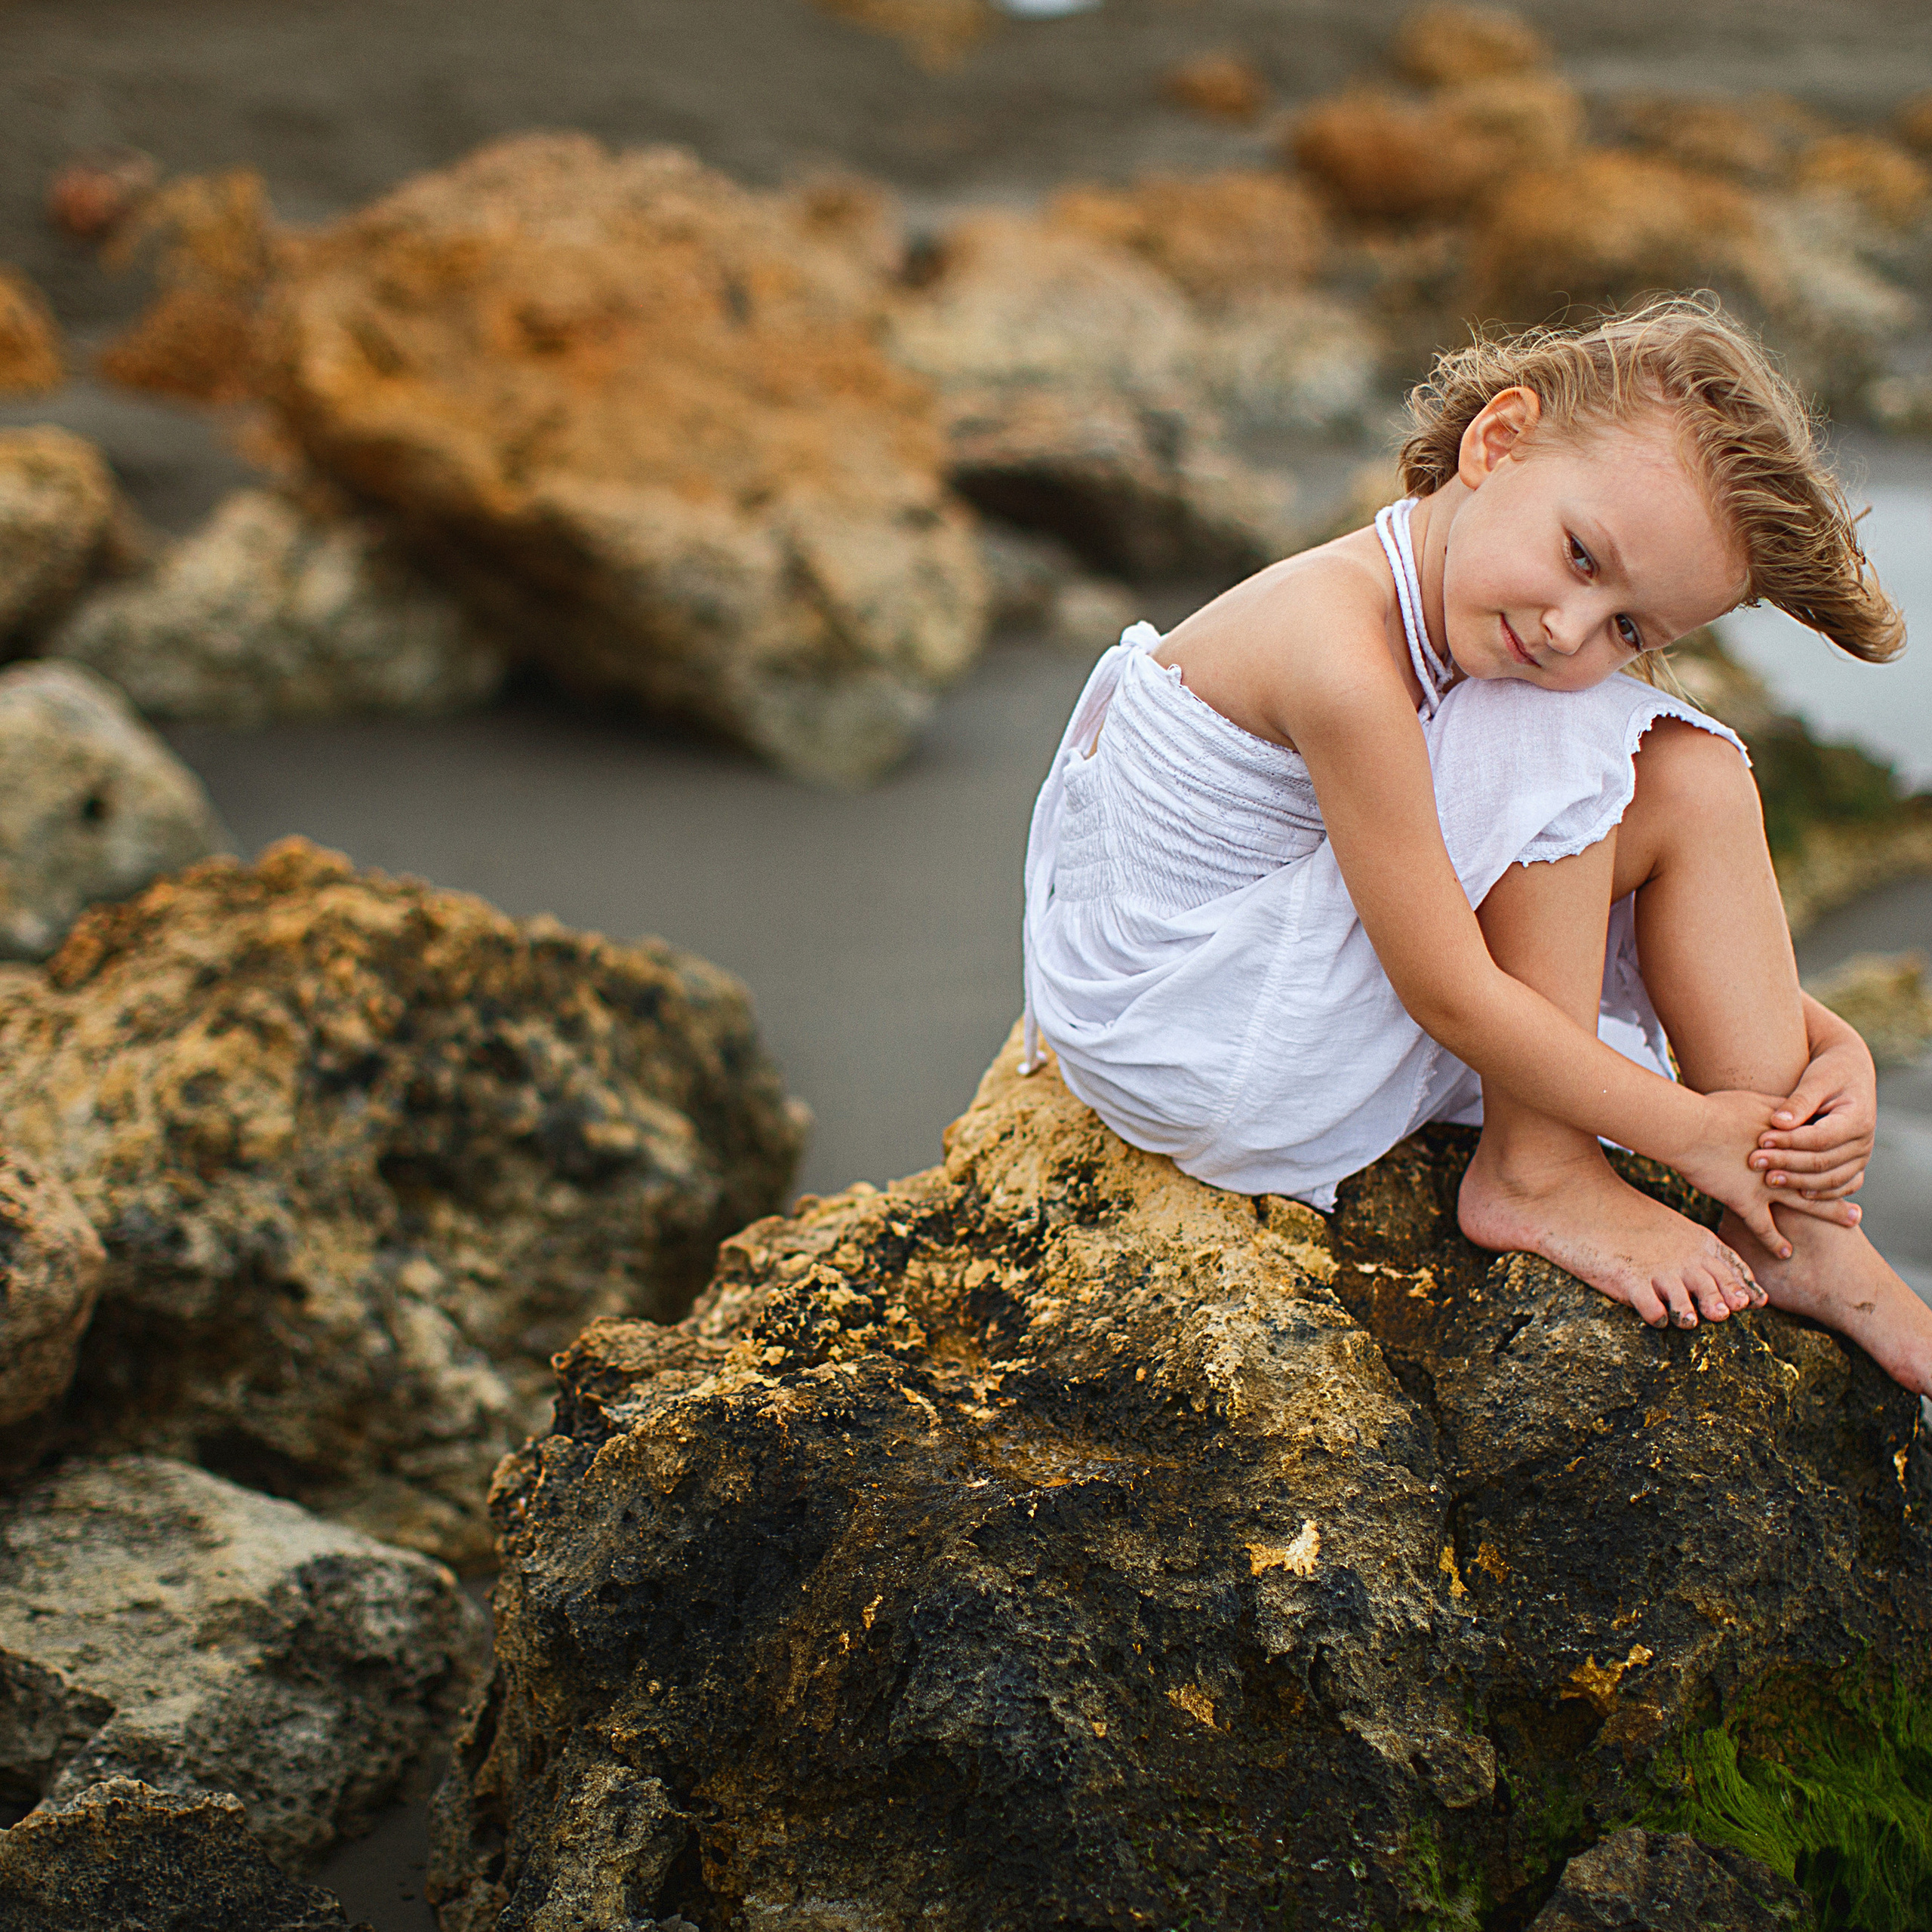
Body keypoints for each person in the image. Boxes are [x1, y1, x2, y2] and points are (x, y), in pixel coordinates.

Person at [1020, 298, 1932, 1398]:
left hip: (1270, 977)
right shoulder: (1340, 652)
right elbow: (1452, 989)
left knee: (1691, 773)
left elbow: (1524, 886)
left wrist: (1826, 1051)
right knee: (1555, 727)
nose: (1570, 629)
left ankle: (1797, 1215)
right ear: (1497, 442)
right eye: (1583, 557)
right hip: (1201, 1034)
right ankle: (1538, 1172)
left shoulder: (1473, 616)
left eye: (1631, 628)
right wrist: (1691, 1132)